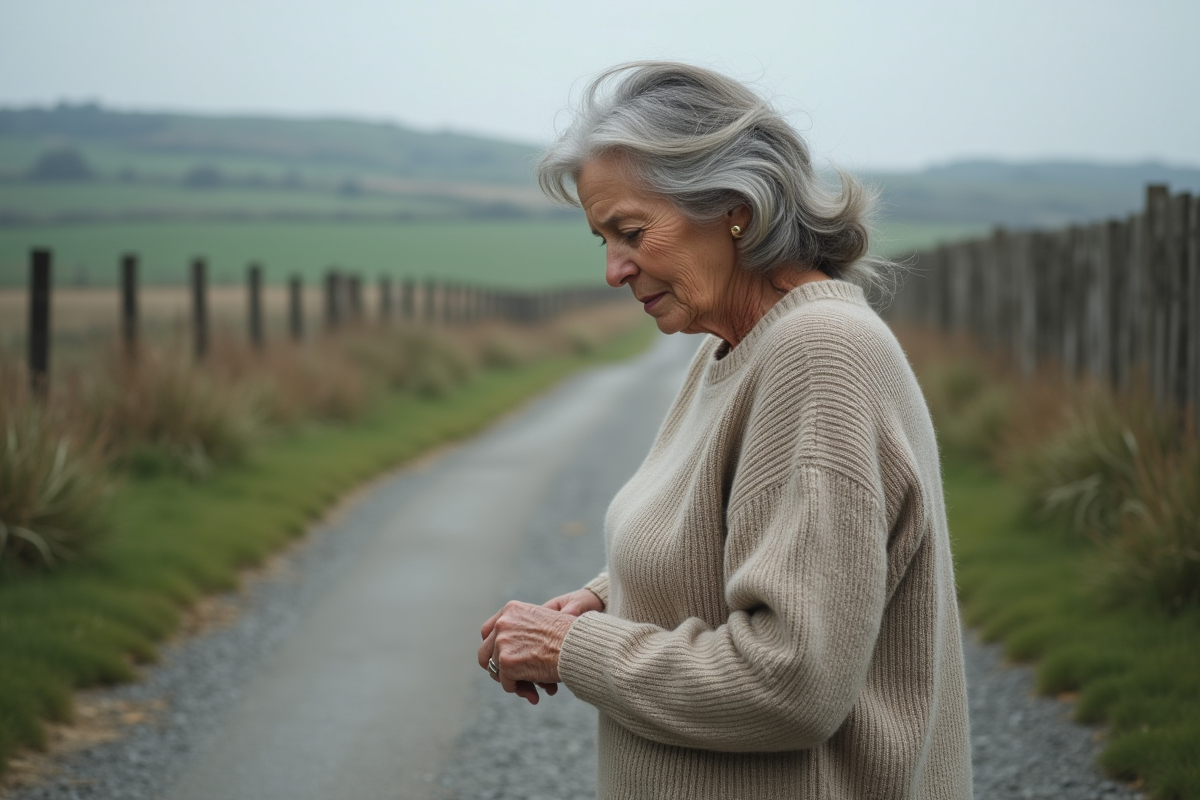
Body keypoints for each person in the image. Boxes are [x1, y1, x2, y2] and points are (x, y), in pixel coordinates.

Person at [477, 61, 972, 800]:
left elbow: (791, 680)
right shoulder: (735, 346)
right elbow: (736, 536)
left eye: (632, 231)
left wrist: (572, 649)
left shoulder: (819, 355)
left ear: (735, 207)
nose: (614, 270)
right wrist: (610, 596)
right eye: (602, 239)